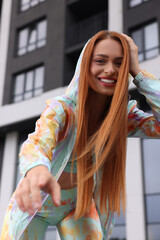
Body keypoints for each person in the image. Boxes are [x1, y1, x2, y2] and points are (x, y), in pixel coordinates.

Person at [1, 30, 160, 240]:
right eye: (100, 61)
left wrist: (137, 72)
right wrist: (37, 169)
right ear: (86, 65)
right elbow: (37, 141)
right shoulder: (63, 110)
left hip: (77, 208)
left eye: (120, 63)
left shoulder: (121, 119)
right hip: (33, 205)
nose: (110, 69)